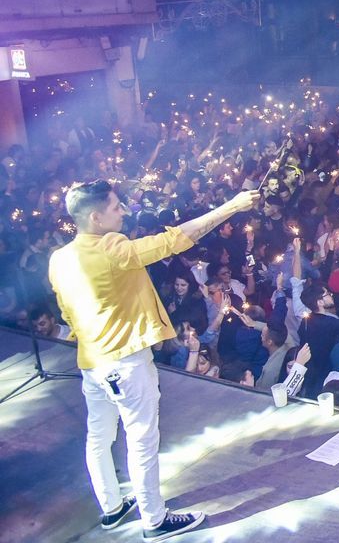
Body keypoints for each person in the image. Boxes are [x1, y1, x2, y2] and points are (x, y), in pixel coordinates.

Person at [49, 179, 259, 540]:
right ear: (96, 218)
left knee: (98, 436)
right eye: (117, 207)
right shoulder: (112, 246)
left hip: (92, 362)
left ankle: (112, 508)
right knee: (141, 438)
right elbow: (173, 240)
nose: (124, 212)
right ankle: (155, 519)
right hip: (125, 360)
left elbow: (66, 313)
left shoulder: (60, 258)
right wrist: (232, 207)